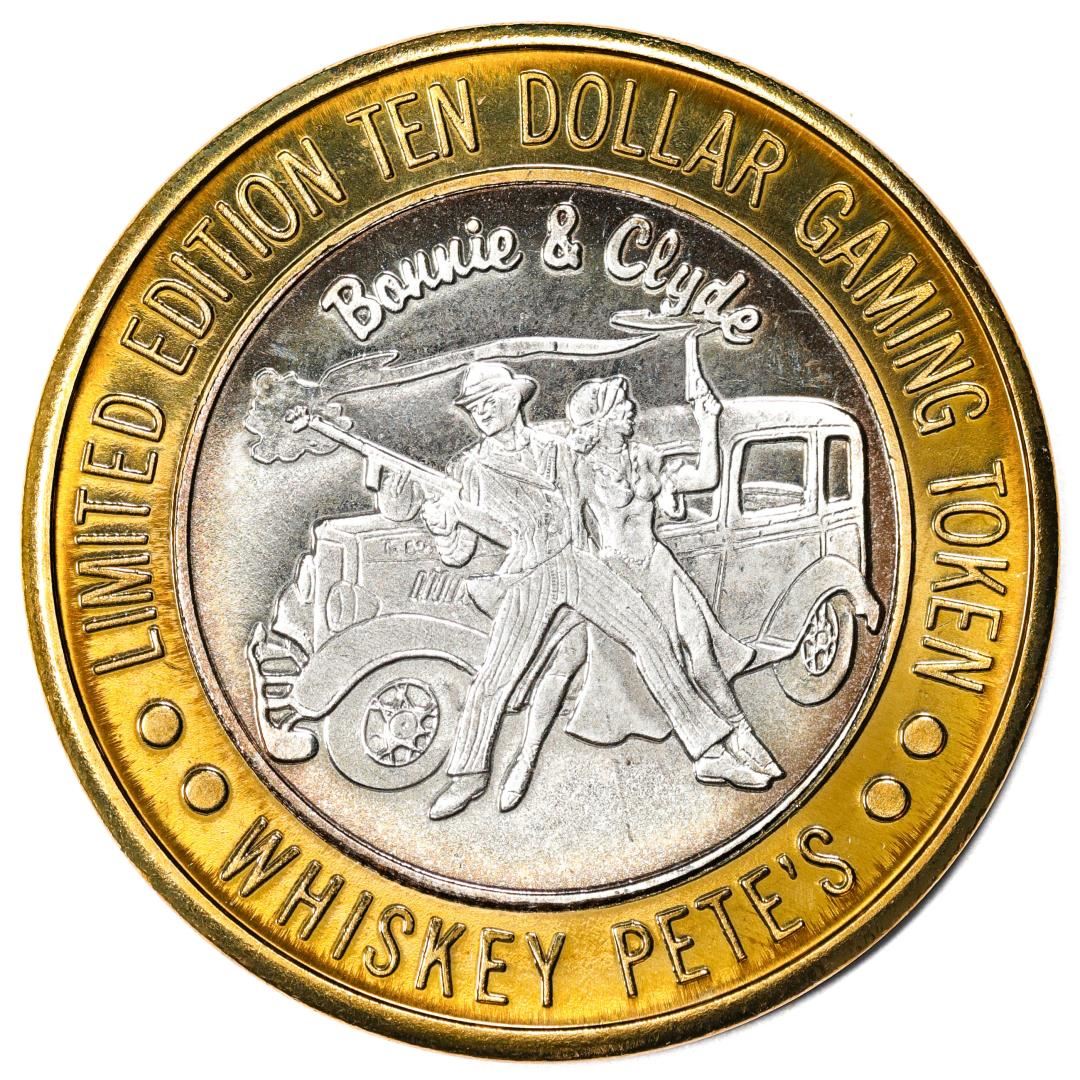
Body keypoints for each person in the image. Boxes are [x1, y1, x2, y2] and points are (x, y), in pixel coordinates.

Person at [380, 360, 774, 820]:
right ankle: (468, 775)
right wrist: (442, 523)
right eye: (473, 406)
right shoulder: (471, 468)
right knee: (496, 676)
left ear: (514, 398)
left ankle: (707, 752)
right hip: (530, 576)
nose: (481, 412)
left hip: (580, 563)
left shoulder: (558, 450)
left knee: (652, 638)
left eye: (489, 401)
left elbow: (593, 505)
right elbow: (457, 552)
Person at [498, 374, 781, 811]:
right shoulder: (579, 468)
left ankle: (741, 735)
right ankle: (526, 758)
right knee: (565, 663)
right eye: (620, 404)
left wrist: (708, 421)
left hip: (658, 565)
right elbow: (562, 525)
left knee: (700, 650)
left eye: (628, 401)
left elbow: (705, 477)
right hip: (613, 577)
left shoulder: (645, 456)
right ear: (599, 419)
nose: (631, 408)